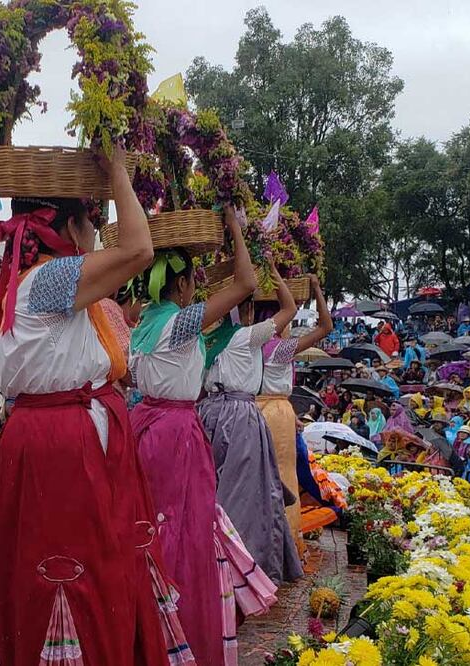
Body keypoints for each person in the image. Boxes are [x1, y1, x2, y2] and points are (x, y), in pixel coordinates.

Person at [0, 149, 187, 664]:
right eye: (91, 224)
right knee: (82, 569)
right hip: (61, 441)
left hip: (57, 431)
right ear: (67, 229)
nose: (96, 239)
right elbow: (140, 249)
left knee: (86, 563)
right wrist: (118, 168)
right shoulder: (49, 279)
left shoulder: (35, 283)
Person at [128, 207, 271, 666]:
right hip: (175, 433)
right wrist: (233, 225)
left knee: (153, 526)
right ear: (184, 283)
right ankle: (181, 633)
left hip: (145, 426)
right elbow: (247, 284)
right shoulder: (180, 323)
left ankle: (148, 628)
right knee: (185, 533)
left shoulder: (144, 322)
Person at [201, 265, 303, 589]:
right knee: (244, 497)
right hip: (241, 417)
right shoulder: (247, 337)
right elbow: (290, 309)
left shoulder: (206, 338)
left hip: (206, 414)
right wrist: (272, 271)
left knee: (210, 493)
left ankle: (210, 563)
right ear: (245, 310)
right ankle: (238, 570)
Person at [258, 275, 333, 563]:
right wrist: (315, 288)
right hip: (275, 415)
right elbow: (326, 327)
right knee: (283, 481)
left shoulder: (250, 343)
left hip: (257, 409)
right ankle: (284, 546)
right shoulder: (278, 347)